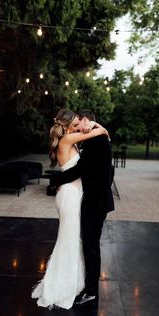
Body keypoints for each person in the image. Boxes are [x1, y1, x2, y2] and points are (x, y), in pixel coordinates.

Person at [31, 109, 109, 310]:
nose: (77, 125)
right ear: (66, 126)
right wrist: (101, 129)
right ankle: (61, 286)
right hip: (69, 196)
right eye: (74, 123)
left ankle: (72, 283)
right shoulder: (67, 139)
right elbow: (101, 135)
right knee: (69, 240)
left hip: (77, 196)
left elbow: (80, 167)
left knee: (73, 240)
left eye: (79, 122)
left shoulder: (71, 141)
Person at [53, 109, 115, 306]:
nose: (78, 125)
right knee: (88, 245)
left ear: (87, 121)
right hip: (95, 200)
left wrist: (56, 181)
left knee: (90, 246)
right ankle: (87, 287)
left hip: (95, 202)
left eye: (79, 121)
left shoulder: (95, 140)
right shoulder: (92, 139)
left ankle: (91, 291)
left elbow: (79, 171)